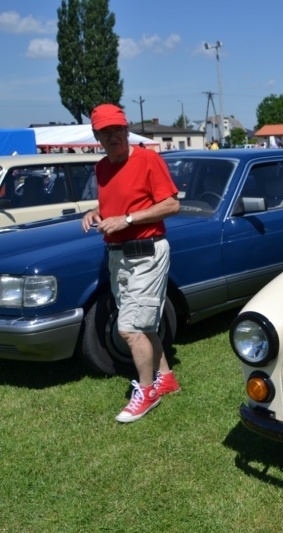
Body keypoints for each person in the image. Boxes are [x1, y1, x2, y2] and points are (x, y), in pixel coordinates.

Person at [81, 103, 181, 422]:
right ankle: (165, 378)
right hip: (117, 256)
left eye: (118, 130)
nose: (114, 137)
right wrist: (96, 213)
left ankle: (147, 392)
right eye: (106, 132)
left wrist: (127, 219)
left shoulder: (147, 159)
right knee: (144, 322)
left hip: (147, 252)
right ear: (97, 136)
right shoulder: (101, 167)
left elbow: (171, 205)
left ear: (127, 130)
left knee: (130, 327)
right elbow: (111, 204)